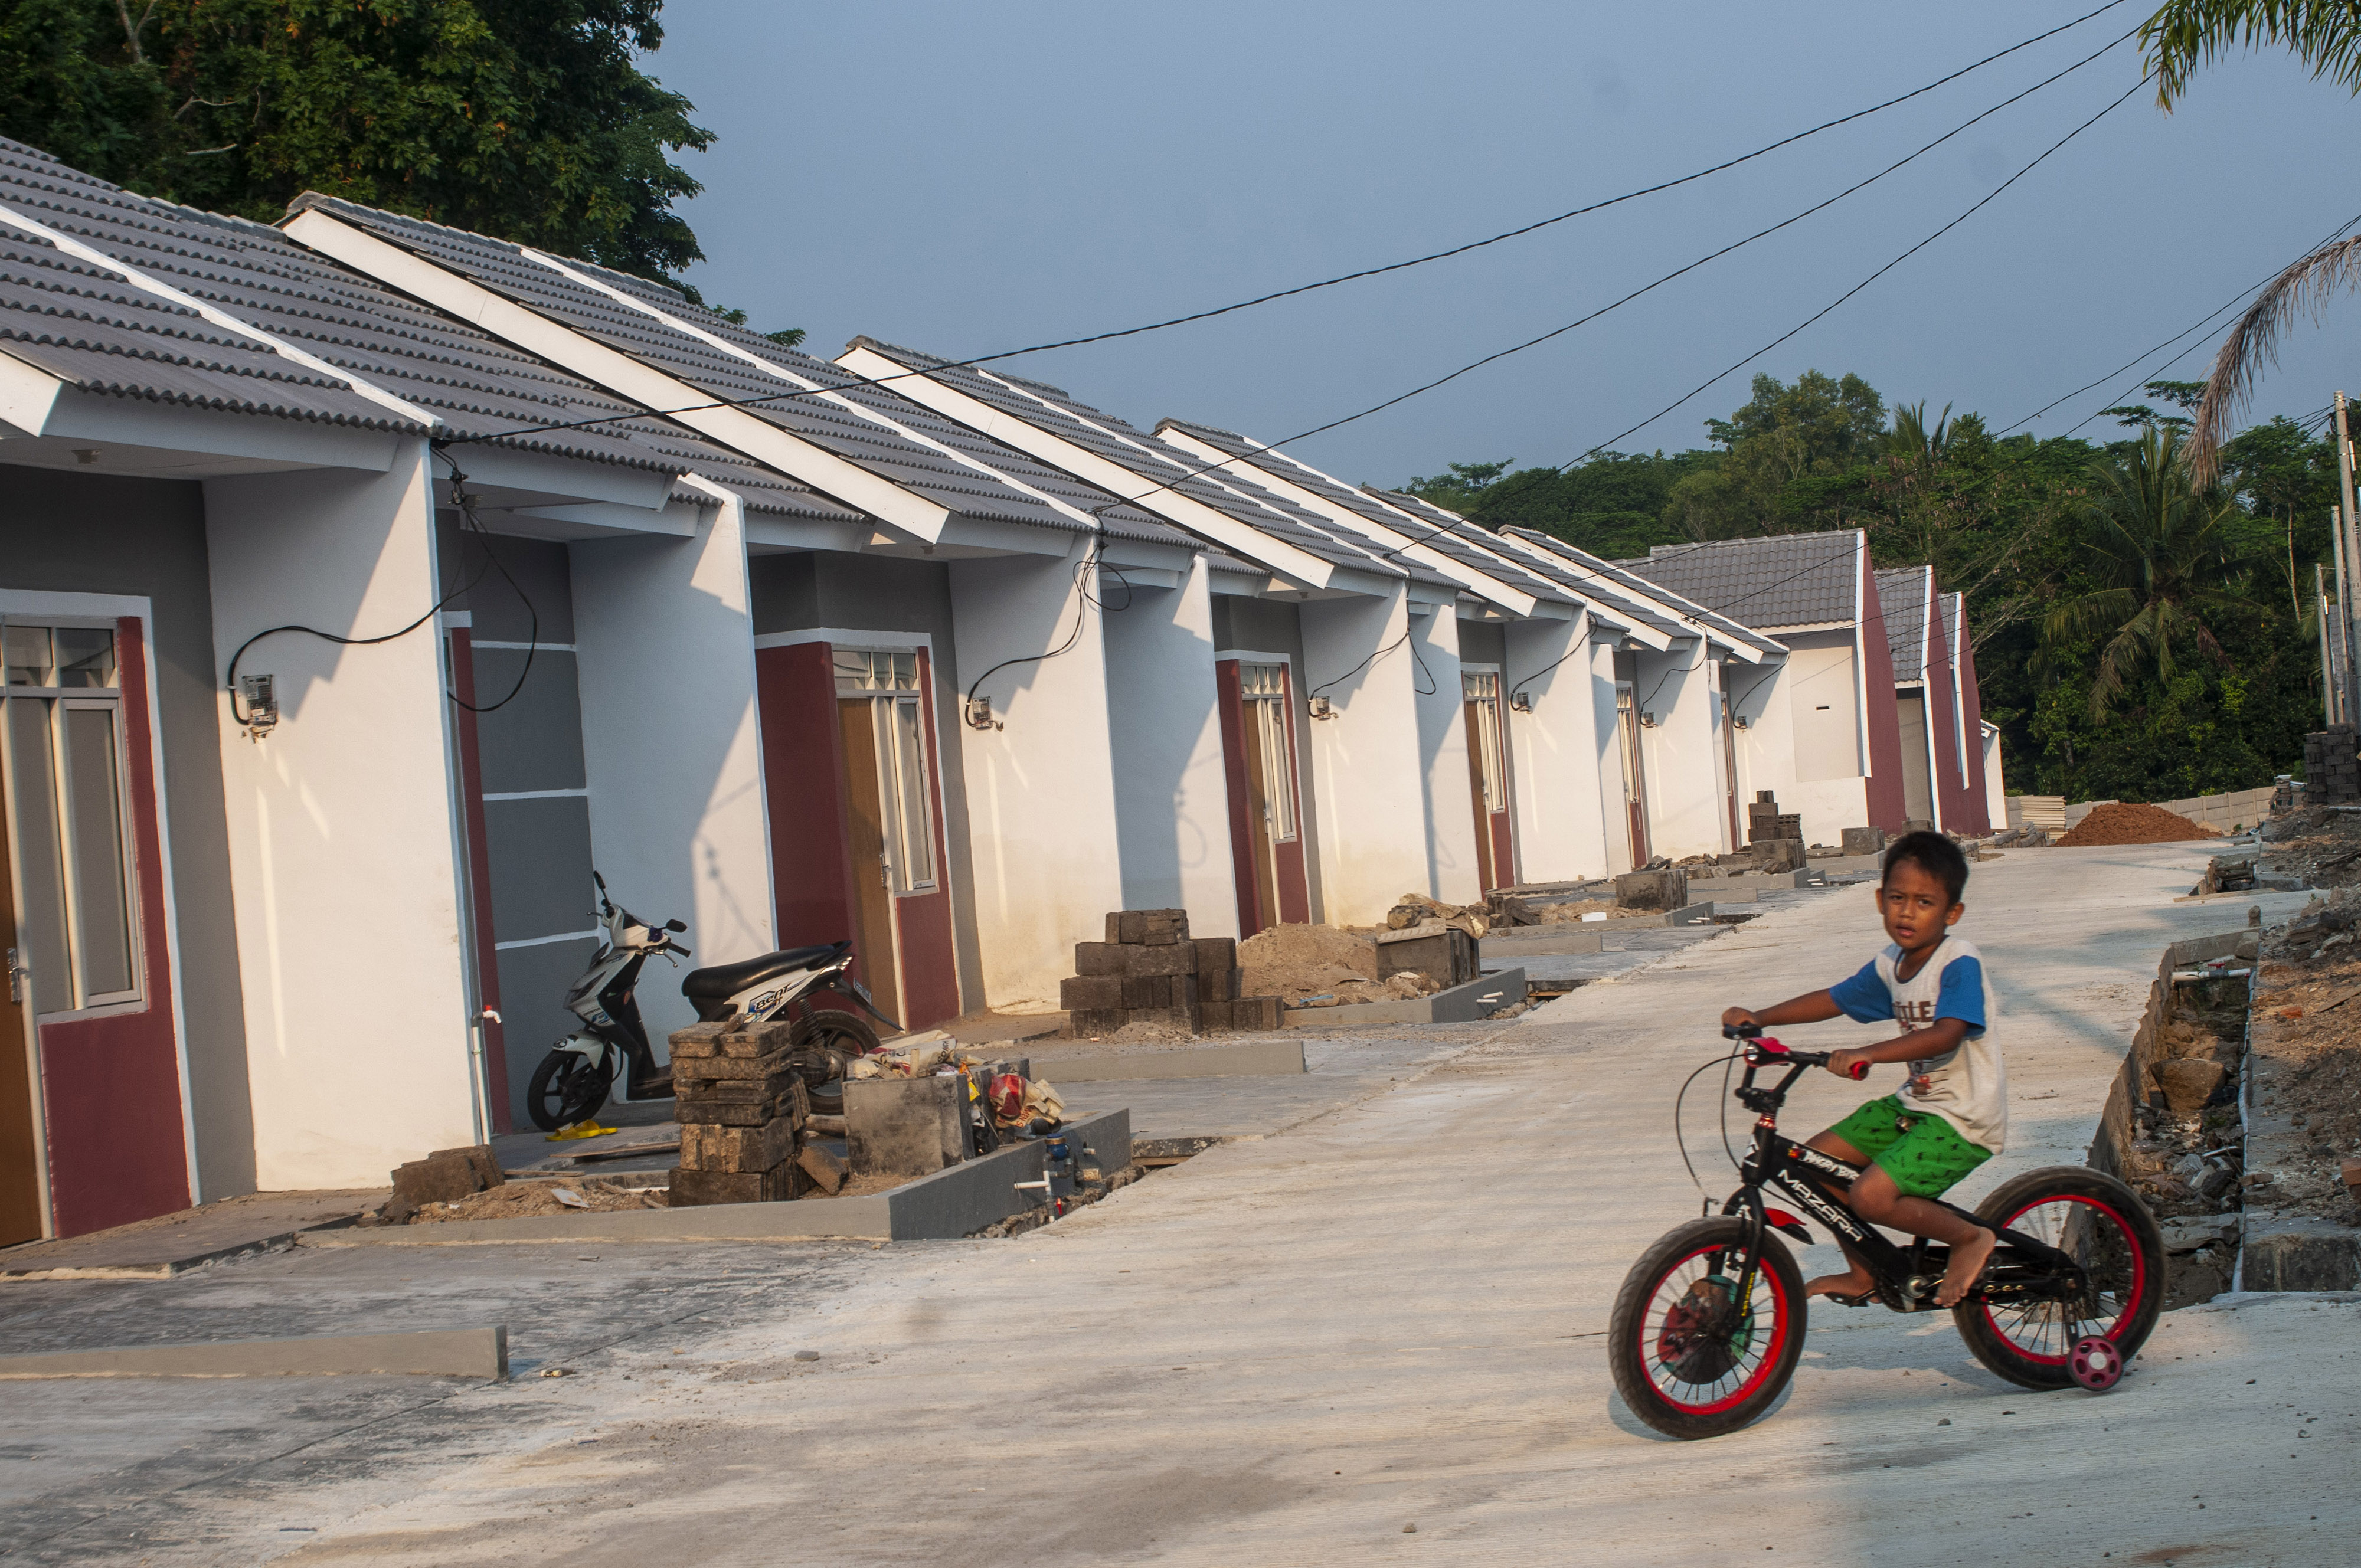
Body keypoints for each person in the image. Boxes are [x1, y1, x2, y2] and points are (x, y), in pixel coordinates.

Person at [1719, 830, 2005, 1308]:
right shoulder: (1891, 963)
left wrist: (1869, 1052)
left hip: (1963, 1119)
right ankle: (1865, 1270)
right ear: (1879, 900)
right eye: (1897, 898)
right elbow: (1834, 998)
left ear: (1951, 913)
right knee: (1811, 1167)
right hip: (1915, 1104)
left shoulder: (1958, 963)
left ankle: (1969, 1237)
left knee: (1871, 1198)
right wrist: (1761, 1017)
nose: (1907, 912)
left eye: (1924, 901)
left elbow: (1947, 1032)